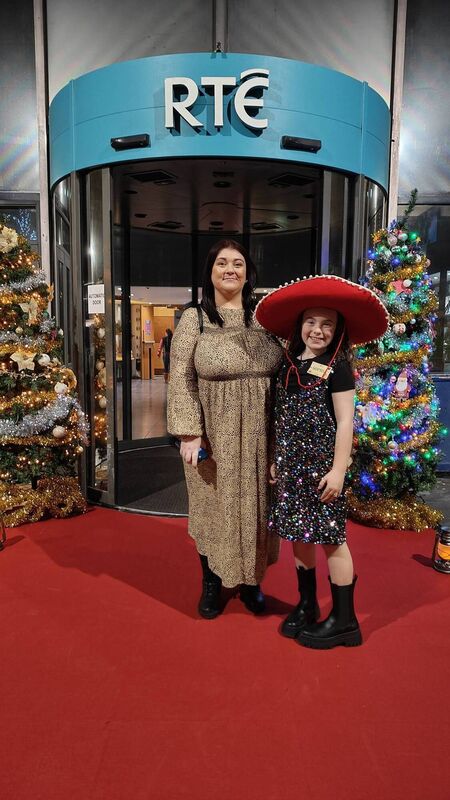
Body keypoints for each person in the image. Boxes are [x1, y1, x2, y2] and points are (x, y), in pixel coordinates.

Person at [255, 275, 389, 649]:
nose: (318, 330)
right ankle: (307, 604)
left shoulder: (338, 368)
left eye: (327, 324)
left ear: (338, 330)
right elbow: (279, 416)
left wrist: (339, 470)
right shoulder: (287, 365)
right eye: (312, 321)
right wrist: (276, 459)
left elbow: (346, 421)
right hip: (291, 468)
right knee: (299, 536)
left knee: (331, 540)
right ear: (300, 325)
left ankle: (345, 621)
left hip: (322, 472)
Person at [167, 240, 283, 618]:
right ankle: (212, 582)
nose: (230, 269)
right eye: (222, 263)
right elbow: (182, 378)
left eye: (237, 263)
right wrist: (189, 432)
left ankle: (252, 582)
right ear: (211, 272)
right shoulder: (194, 319)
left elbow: (290, 368)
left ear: (248, 272)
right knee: (213, 509)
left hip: (260, 434)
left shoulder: (266, 319)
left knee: (256, 507)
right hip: (213, 437)